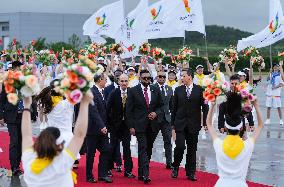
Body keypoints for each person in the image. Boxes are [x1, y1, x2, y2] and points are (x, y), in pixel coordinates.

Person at [21, 90, 93, 187]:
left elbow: (26, 136)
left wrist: (26, 106)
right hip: (67, 137)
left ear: (37, 143)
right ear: (58, 145)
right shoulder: (63, 161)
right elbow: (80, 135)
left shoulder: (28, 159)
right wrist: (85, 102)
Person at [206, 92, 264, 187]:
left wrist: (212, 105)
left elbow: (209, 124)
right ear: (241, 128)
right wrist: (256, 105)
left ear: (225, 127)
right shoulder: (247, 146)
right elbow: (261, 125)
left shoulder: (219, 145)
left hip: (221, 184)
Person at [126, 69, 163, 184]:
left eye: (149, 78)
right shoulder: (133, 91)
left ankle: (141, 172)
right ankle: (146, 174)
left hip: (153, 125)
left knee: (148, 148)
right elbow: (129, 110)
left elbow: (161, 106)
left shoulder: (155, 89)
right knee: (143, 147)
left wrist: (156, 113)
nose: (147, 80)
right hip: (139, 125)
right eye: (145, 78)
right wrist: (131, 126)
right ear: (140, 79)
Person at [171, 68, 208, 181]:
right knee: (180, 146)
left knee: (192, 149)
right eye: (181, 76)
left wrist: (205, 122)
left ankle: (191, 172)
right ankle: (176, 166)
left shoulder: (200, 90)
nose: (181, 78)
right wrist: (172, 125)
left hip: (194, 124)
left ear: (189, 76)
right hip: (180, 124)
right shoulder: (178, 90)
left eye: (183, 76)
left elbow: (205, 107)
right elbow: (174, 108)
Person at [85, 73, 112, 183]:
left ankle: (102, 174)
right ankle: (89, 175)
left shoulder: (103, 92)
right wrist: (101, 126)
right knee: (90, 154)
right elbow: (93, 111)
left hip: (103, 129)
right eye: (105, 80)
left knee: (106, 150)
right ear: (100, 80)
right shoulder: (91, 92)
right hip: (93, 129)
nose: (106, 82)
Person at [107, 74, 135, 178]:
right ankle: (109, 168)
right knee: (112, 147)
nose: (124, 83)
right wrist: (110, 124)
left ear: (128, 82)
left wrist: (133, 125)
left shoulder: (132, 93)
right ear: (119, 82)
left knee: (127, 148)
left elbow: (134, 109)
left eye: (126, 81)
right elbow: (107, 108)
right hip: (115, 126)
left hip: (126, 126)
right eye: (122, 81)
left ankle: (128, 171)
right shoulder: (114, 93)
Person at [0, 61, 25, 176]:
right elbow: (1, 100)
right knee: (14, 141)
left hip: (22, 115)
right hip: (11, 116)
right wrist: (1, 115)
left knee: (20, 142)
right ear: (15, 69)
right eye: (20, 69)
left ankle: (18, 165)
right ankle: (14, 167)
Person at [153, 71, 173, 169]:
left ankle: (169, 162)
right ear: (157, 77)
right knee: (150, 140)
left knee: (168, 141)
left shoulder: (169, 89)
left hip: (166, 119)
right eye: (160, 76)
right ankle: (146, 161)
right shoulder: (152, 88)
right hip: (155, 119)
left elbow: (172, 105)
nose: (162, 78)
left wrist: (172, 118)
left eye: (164, 77)